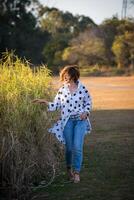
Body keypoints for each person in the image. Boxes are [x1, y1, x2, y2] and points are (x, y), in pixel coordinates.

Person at [32, 65, 92, 183]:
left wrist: (86, 112)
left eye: (67, 75)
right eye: (63, 75)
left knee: (77, 147)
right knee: (69, 148)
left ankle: (76, 173)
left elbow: (88, 101)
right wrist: (45, 102)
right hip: (67, 121)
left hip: (80, 121)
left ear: (73, 76)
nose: (65, 77)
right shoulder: (62, 90)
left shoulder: (82, 88)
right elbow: (56, 105)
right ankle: (69, 169)